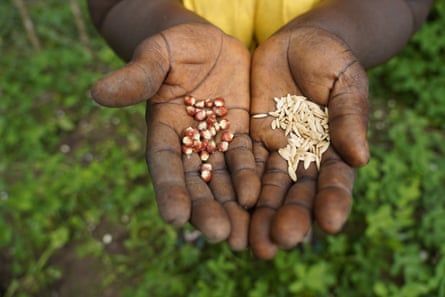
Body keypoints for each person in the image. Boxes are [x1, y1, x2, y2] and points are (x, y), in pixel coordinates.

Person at [86, 0, 433, 259]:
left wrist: (337, 32)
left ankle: (299, 229)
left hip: (303, 77)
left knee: (290, 184)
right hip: (196, 77)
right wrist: (161, 30)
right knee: (213, 185)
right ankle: (206, 232)